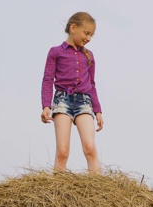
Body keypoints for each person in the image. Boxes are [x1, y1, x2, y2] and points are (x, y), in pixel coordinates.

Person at [41, 12, 104, 173]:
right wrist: (46, 105)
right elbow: (48, 79)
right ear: (73, 28)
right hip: (62, 100)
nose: (89, 38)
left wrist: (97, 110)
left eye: (91, 35)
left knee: (90, 148)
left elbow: (92, 84)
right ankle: (57, 195)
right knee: (63, 151)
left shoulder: (89, 56)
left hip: (84, 101)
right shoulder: (55, 52)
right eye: (86, 33)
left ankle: (98, 191)